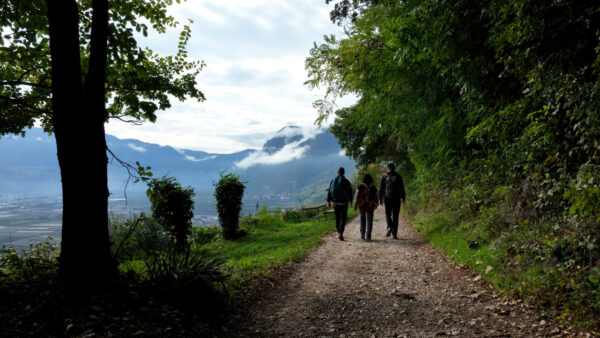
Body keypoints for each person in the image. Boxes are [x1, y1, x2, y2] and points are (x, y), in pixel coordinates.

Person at [379, 163, 406, 239]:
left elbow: (381, 189)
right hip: (397, 198)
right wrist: (403, 198)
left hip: (387, 198)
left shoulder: (384, 177)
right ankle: (394, 234)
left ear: (388, 169)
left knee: (388, 214)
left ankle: (390, 226)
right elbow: (402, 188)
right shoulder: (398, 176)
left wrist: (380, 198)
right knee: (395, 216)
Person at [327, 167, 353, 241]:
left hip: (335, 203)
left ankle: (338, 232)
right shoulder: (346, 181)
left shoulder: (332, 181)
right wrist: (350, 201)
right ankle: (341, 233)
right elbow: (350, 192)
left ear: (337, 172)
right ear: (344, 172)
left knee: (338, 218)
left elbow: (329, 191)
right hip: (344, 203)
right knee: (343, 218)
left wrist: (328, 201)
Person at [354, 173, 379, 241]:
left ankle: (362, 235)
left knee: (362, 219)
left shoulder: (360, 186)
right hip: (370, 205)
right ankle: (368, 236)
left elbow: (356, 196)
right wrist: (376, 204)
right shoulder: (373, 187)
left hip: (362, 205)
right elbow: (376, 197)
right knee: (370, 220)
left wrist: (355, 204)